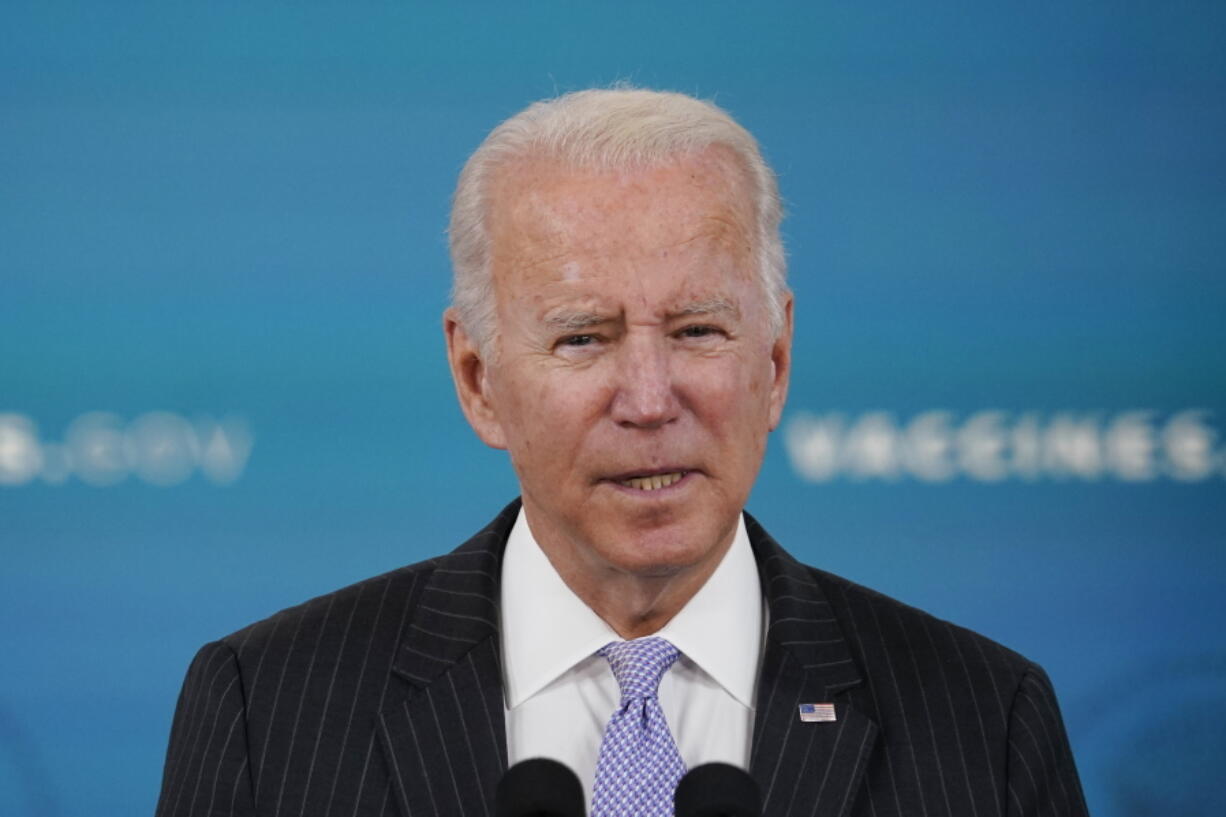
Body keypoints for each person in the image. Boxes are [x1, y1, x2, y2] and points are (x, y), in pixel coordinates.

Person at [156, 88, 1088, 817]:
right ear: (478, 379)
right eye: (583, 338)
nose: (650, 400)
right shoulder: (269, 709)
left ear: (775, 360)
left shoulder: (985, 720)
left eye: (696, 330)